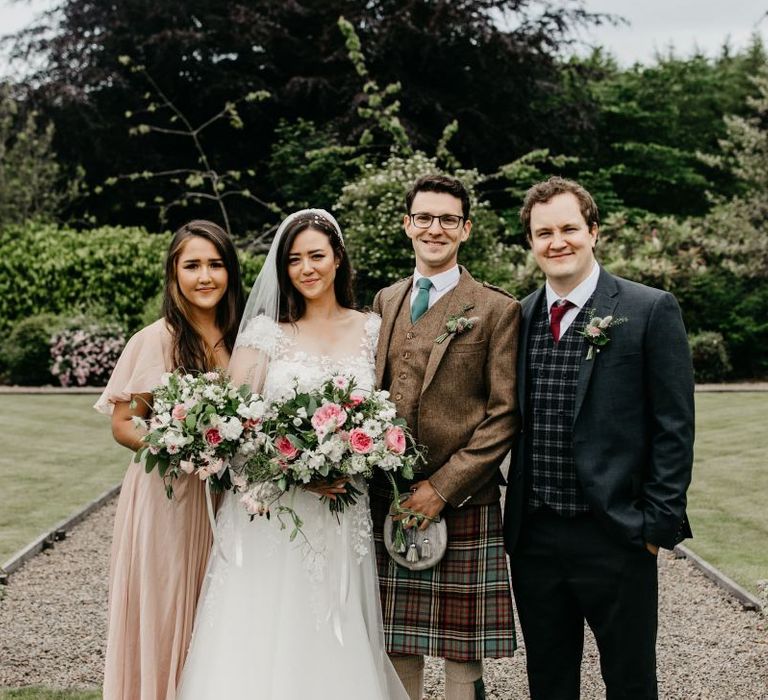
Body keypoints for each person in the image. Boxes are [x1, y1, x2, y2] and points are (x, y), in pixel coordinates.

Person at [177, 209, 408, 700]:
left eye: (317, 256)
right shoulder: (264, 335)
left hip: (343, 514)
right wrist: (294, 472)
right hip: (274, 516)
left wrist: (355, 453)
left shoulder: (372, 329)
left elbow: (385, 411)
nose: (307, 268)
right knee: (264, 631)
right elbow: (232, 433)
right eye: (295, 259)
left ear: (338, 259)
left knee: (336, 627)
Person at [503, 176, 695, 699]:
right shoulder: (516, 318)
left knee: (630, 681)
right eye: (544, 232)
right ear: (531, 242)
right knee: (548, 679)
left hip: (617, 534)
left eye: (569, 228)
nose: (557, 241)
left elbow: (675, 427)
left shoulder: (650, 309)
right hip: (535, 537)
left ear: (594, 232)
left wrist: (655, 525)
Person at [370, 174, 521, 700]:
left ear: (466, 229)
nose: (435, 228)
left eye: (448, 219)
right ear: (407, 225)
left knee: (462, 645)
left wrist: (440, 488)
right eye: (425, 218)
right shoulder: (386, 299)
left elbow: (504, 414)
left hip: (462, 498)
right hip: (387, 496)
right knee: (397, 639)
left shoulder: (496, 308)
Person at [95, 220, 246, 700]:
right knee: (167, 605)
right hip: (167, 498)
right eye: (193, 265)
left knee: (222, 608)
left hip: (230, 498)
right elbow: (123, 424)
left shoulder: (247, 341)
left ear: (231, 272)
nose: (205, 277)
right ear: (174, 274)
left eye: (216, 265)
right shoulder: (155, 339)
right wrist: (180, 445)